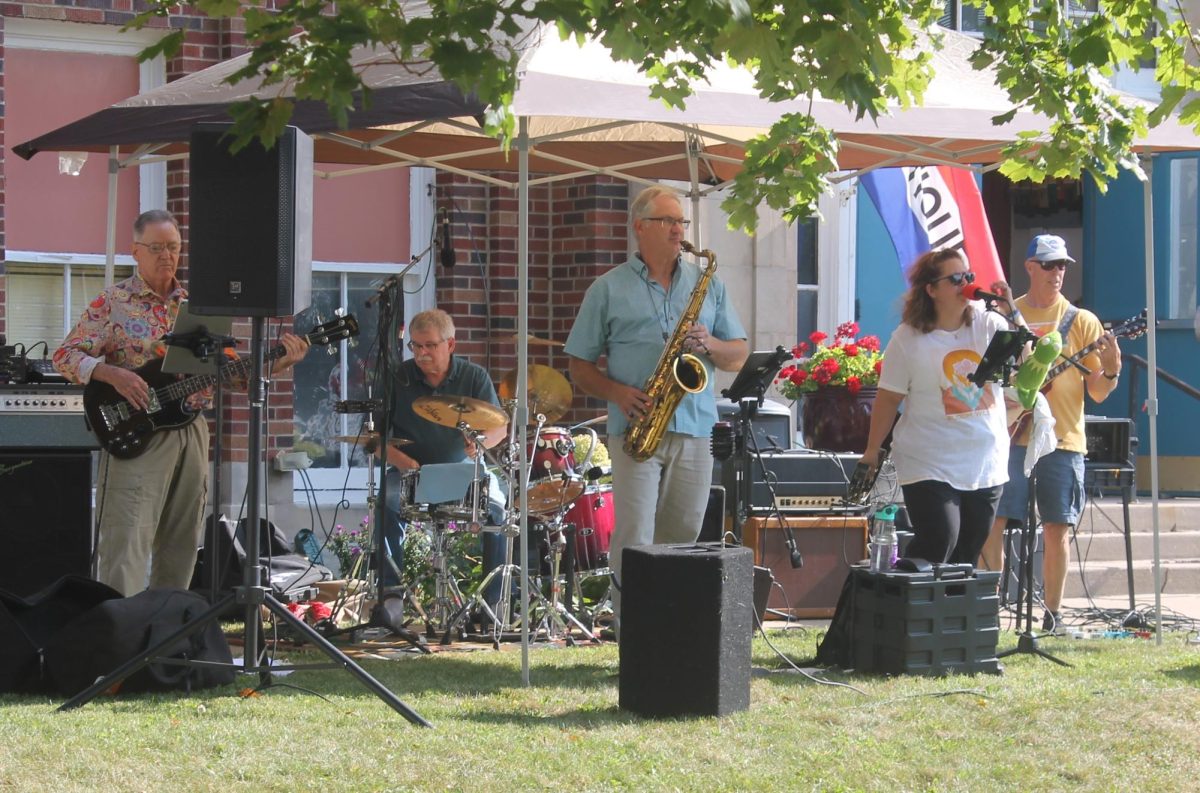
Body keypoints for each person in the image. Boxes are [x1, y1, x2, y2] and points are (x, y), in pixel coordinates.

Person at [53, 209, 310, 596]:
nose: (167, 256)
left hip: (191, 429)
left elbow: (230, 374)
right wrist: (112, 374)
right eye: (156, 247)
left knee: (183, 541)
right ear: (135, 251)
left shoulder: (199, 306)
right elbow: (65, 356)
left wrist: (277, 364)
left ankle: (167, 635)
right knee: (128, 540)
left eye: (173, 247)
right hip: (136, 432)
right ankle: (119, 639)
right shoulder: (113, 303)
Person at [565, 184, 748, 630]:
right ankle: (632, 630)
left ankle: (669, 626)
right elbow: (578, 365)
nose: (678, 230)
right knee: (634, 535)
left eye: (681, 221)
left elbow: (738, 353)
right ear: (640, 227)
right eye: (668, 221)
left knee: (683, 533)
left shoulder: (708, 283)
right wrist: (617, 393)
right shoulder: (607, 288)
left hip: (695, 425)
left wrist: (711, 343)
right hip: (637, 426)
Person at [980, 234, 1122, 634]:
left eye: (1062, 265)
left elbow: (1096, 390)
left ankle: (1053, 616)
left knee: (1058, 526)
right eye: (1048, 264)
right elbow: (990, 376)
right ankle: (988, 608)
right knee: (995, 522)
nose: (1057, 272)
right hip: (1008, 436)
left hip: (1062, 439)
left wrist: (1111, 369)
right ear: (1029, 267)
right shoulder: (1007, 314)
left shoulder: (1081, 321)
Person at [859, 248, 1015, 565]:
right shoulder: (908, 339)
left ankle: (953, 614)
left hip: (984, 463)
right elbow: (889, 398)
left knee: (967, 554)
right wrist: (872, 451)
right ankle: (906, 606)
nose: (966, 283)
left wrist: (1011, 311)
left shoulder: (990, 324)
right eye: (956, 278)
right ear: (931, 290)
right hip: (929, 461)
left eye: (969, 276)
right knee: (940, 539)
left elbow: (1016, 371)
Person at [379, 309, 508, 605]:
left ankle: (492, 603)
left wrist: (480, 443)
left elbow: (500, 427)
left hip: (461, 468)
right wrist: (402, 462)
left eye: (430, 346)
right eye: (416, 346)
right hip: (409, 471)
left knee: (498, 511)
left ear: (450, 345)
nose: (422, 353)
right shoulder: (398, 377)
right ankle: (391, 596)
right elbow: (375, 439)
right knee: (385, 502)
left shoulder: (474, 376)